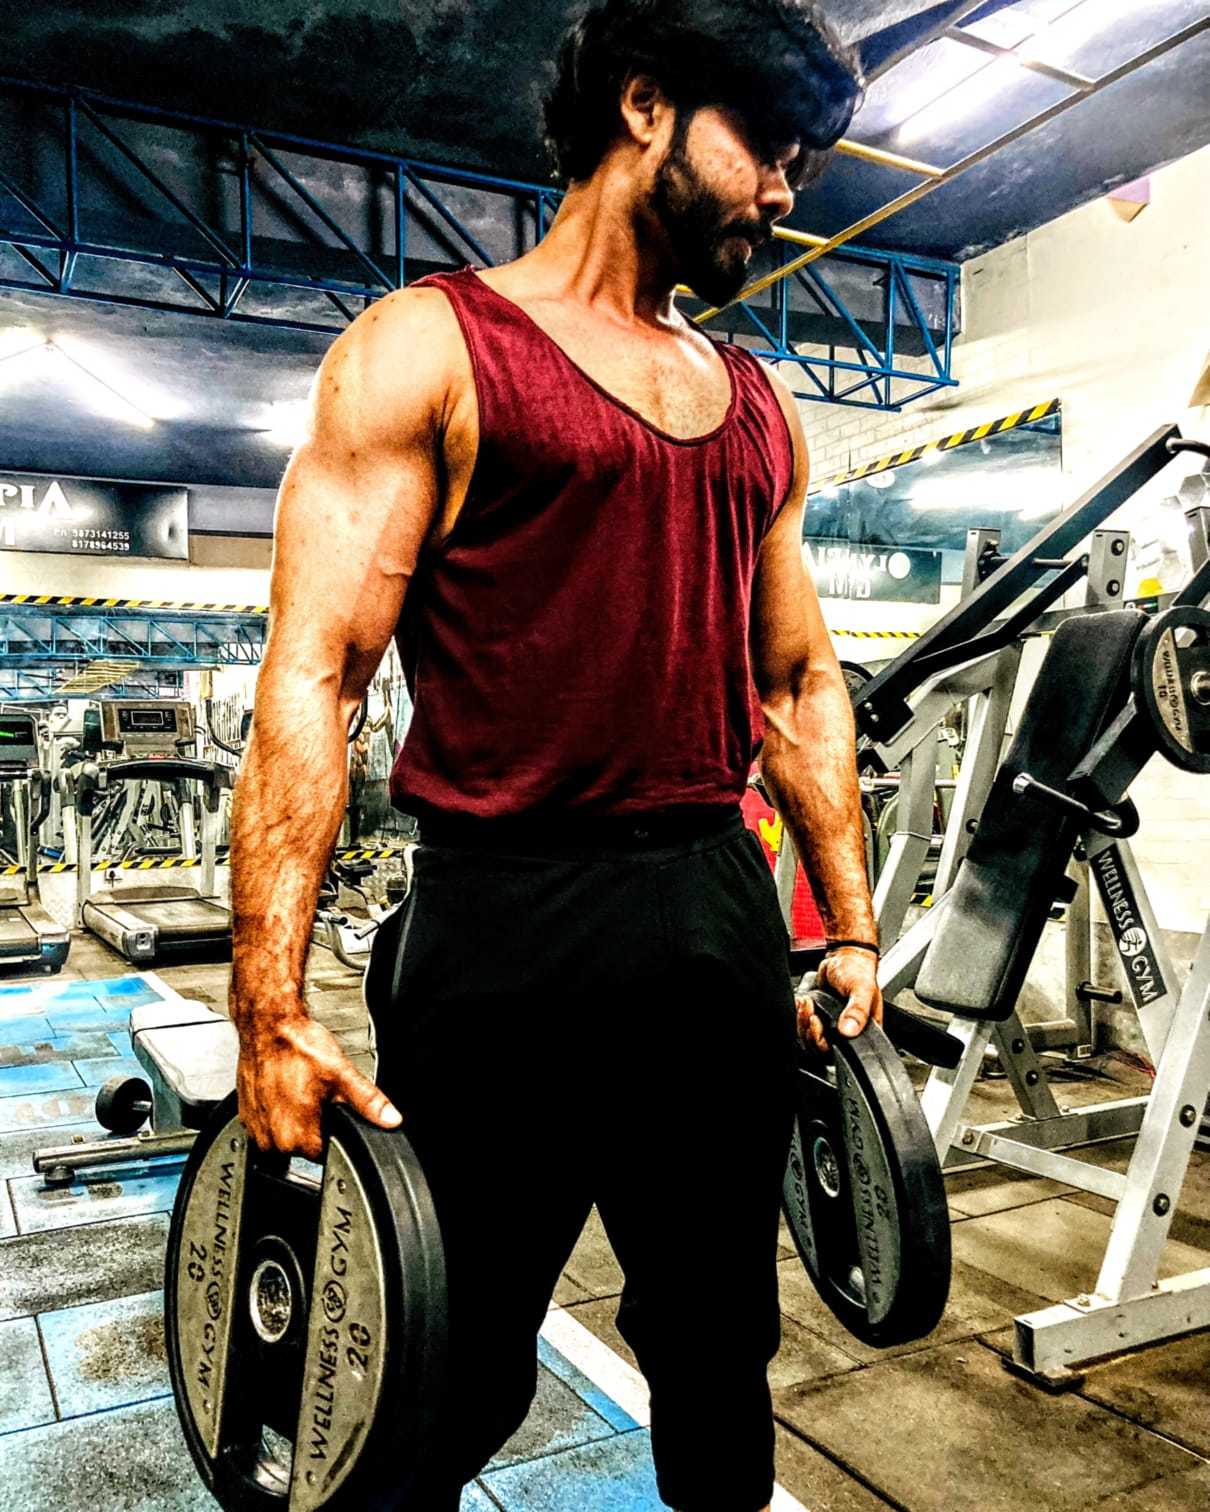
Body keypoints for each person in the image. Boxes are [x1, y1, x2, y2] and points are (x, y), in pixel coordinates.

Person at [230, 3, 878, 1507]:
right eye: (767, 148)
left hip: (712, 918)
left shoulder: (757, 406)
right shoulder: (426, 351)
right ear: (645, 107)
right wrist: (269, 1002)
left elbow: (797, 680)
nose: (785, 193)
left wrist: (846, 924)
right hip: (500, 932)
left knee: (718, 1350)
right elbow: (314, 678)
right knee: (446, 1368)